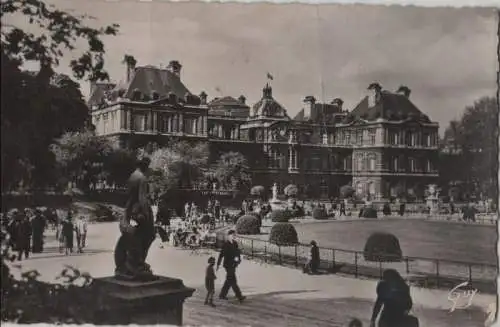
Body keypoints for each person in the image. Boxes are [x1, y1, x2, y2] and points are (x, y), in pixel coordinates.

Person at [217, 230, 245, 302]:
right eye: (233, 235)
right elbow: (221, 255)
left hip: (233, 264)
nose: (234, 237)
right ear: (228, 236)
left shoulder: (235, 243)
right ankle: (239, 296)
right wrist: (218, 264)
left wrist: (238, 260)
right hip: (228, 265)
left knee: (229, 280)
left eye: (234, 235)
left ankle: (222, 295)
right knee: (233, 281)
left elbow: (237, 252)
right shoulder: (226, 244)